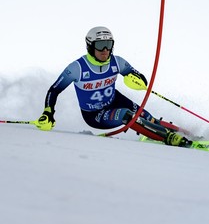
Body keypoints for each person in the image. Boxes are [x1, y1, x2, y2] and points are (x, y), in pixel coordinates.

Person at [35, 26, 191, 147]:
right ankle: (170, 138)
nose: (105, 50)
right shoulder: (77, 68)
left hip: (115, 100)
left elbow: (139, 77)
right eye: (101, 45)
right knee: (127, 116)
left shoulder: (117, 62)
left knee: (147, 117)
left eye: (108, 45)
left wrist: (138, 80)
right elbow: (54, 90)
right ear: (90, 46)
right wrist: (48, 112)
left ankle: (186, 133)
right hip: (94, 114)